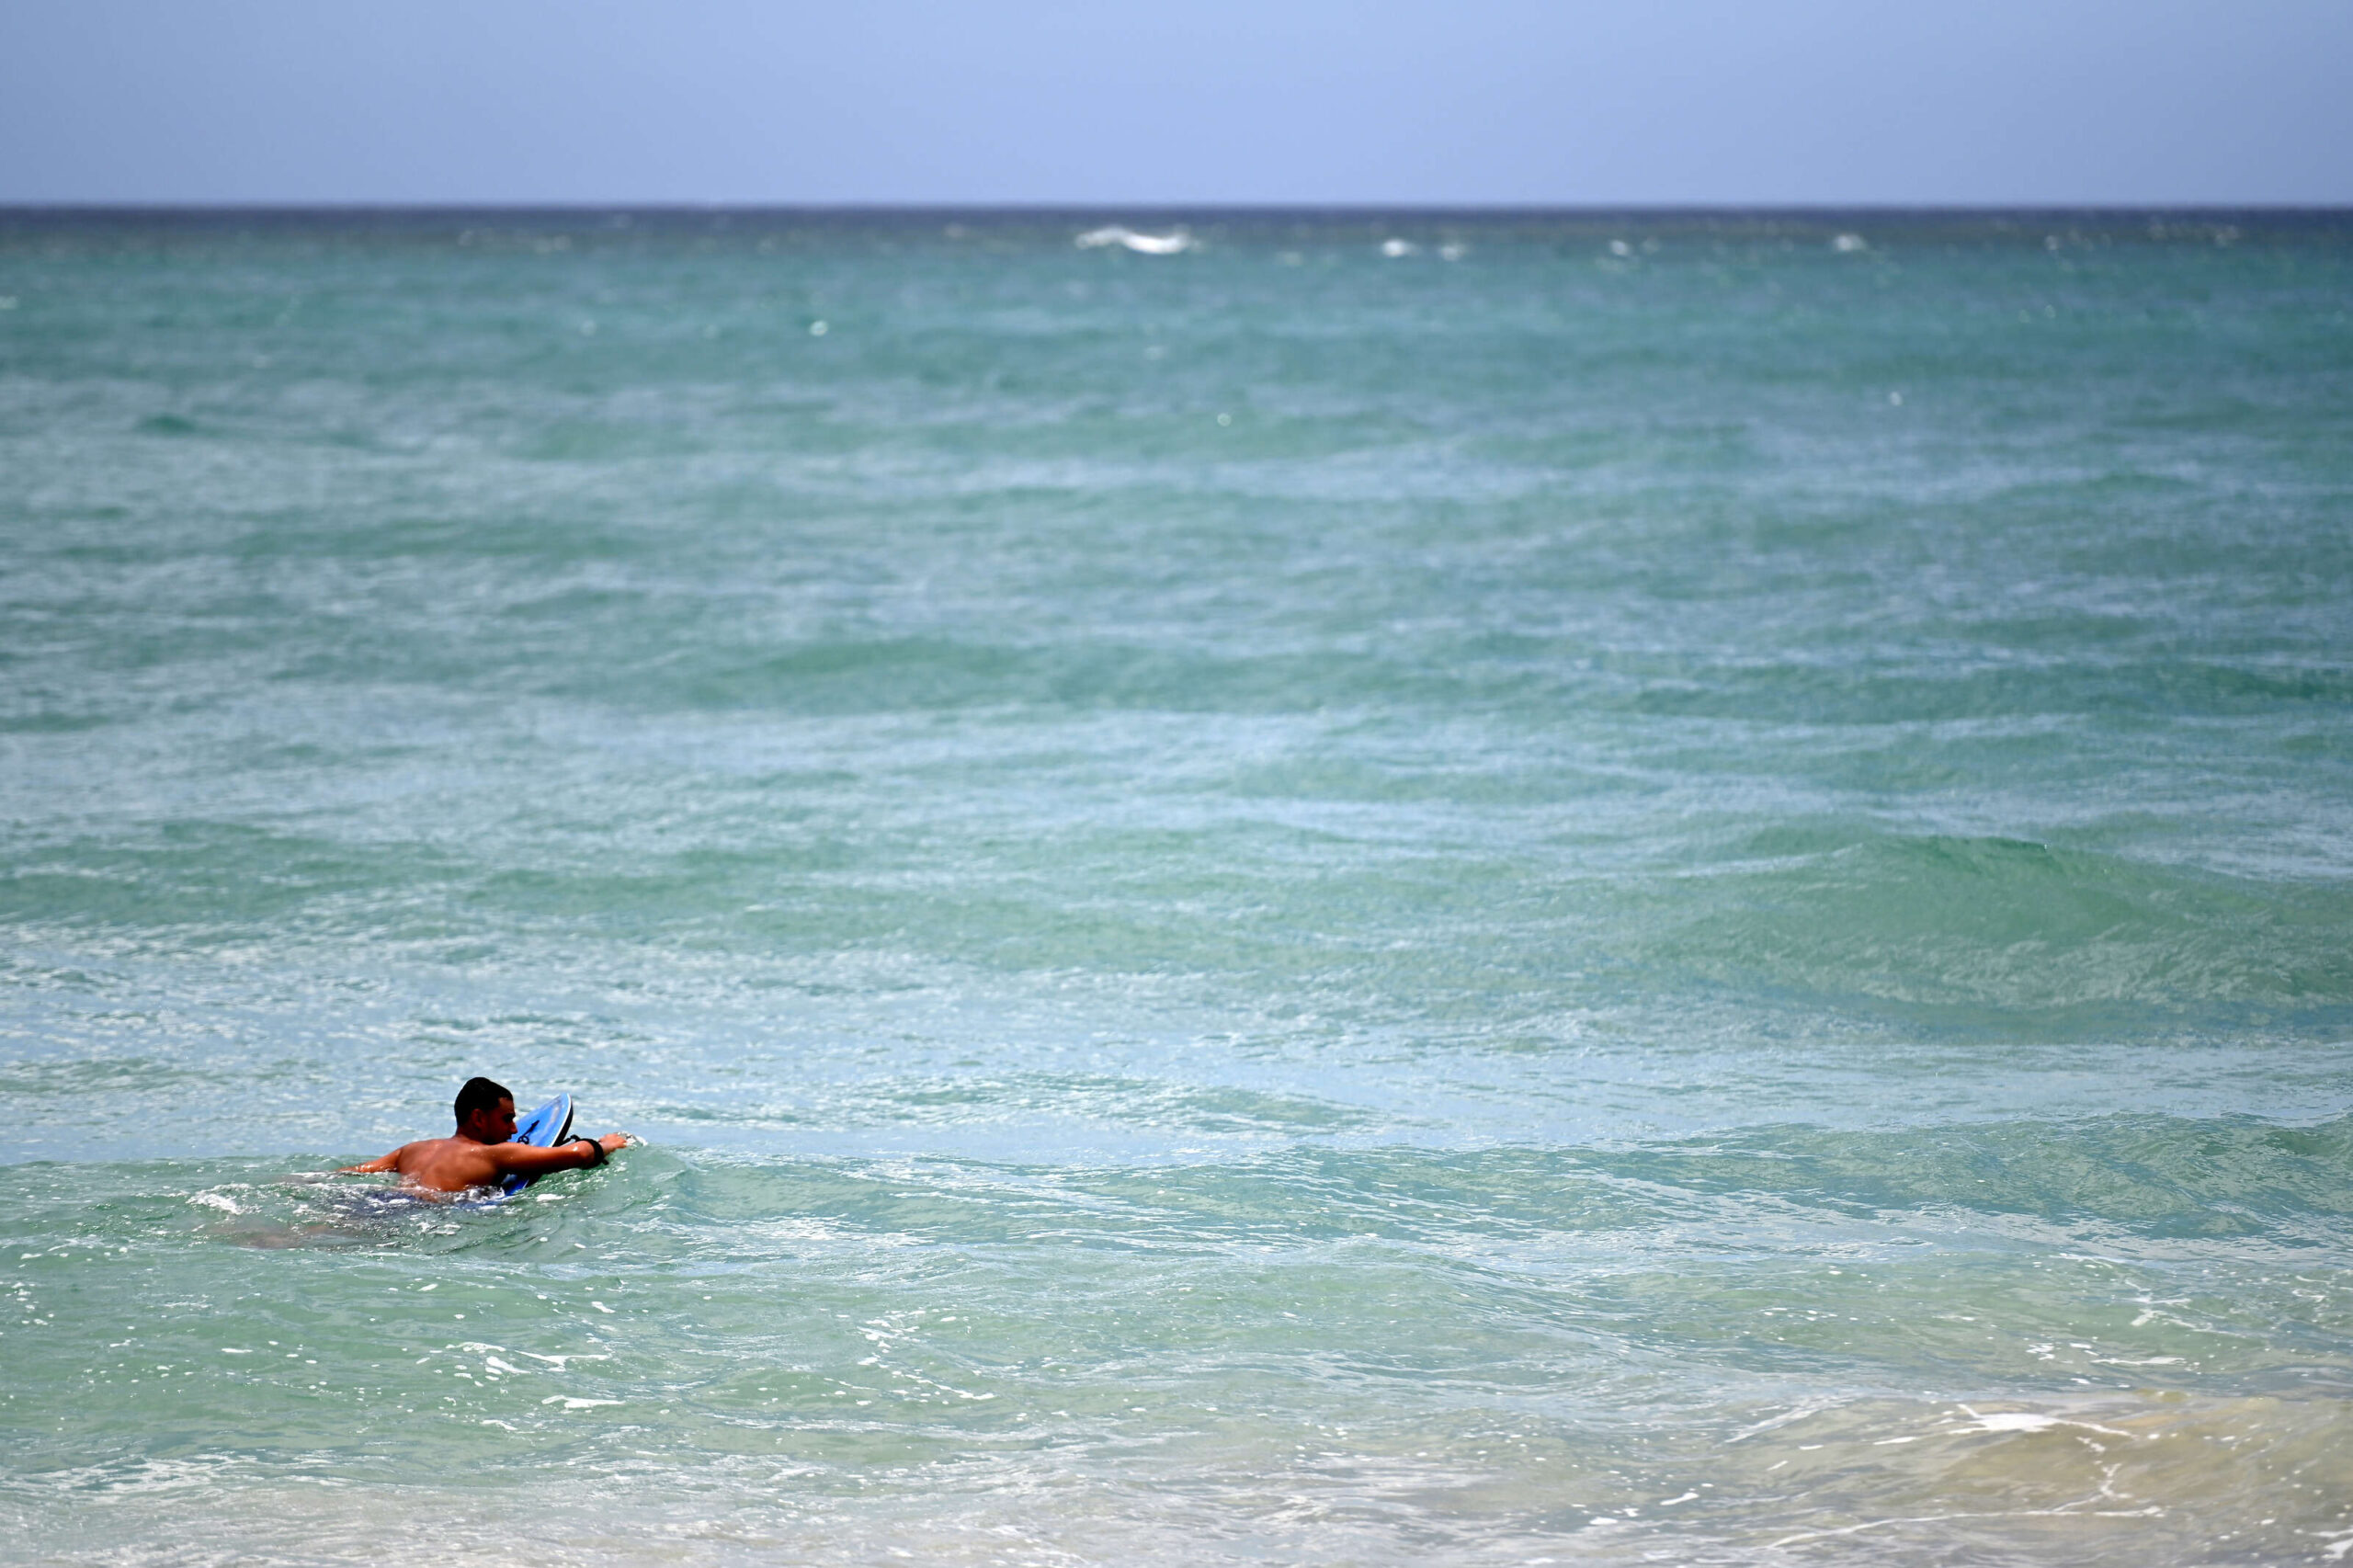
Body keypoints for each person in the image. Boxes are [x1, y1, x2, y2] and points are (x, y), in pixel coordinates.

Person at [339, 1076, 630, 1194]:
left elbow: (350, 1173)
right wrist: (606, 1143)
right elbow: (579, 1154)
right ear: (478, 1117)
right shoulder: (495, 1153)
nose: (515, 1130)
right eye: (507, 1119)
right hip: (417, 1218)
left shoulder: (413, 1149)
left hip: (379, 1201)